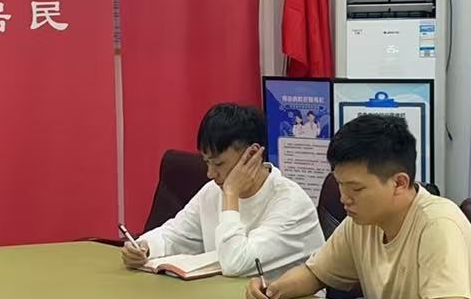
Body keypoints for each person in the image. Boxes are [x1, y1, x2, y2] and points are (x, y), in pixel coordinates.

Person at [245, 114, 471, 299]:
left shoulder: (437, 222)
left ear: (399, 183)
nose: (344, 198)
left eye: (356, 189)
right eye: (340, 185)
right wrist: (274, 290)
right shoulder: (361, 222)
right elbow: (316, 273)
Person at [122, 103, 323, 277]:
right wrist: (144, 246)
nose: (210, 173)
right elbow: (174, 235)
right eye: (206, 162)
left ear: (252, 154)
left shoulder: (291, 203)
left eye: (218, 163)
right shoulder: (212, 192)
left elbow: (235, 263)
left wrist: (231, 193)